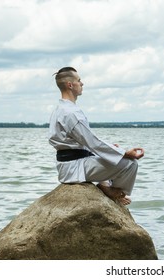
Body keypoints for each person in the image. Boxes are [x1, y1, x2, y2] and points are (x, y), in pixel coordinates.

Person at [48, 67, 144, 205]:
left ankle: (105, 186)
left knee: (112, 155)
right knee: (130, 164)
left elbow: (85, 141)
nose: (82, 84)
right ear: (70, 85)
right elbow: (92, 142)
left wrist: (112, 148)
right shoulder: (70, 113)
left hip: (69, 165)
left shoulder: (59, 109)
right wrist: (124, 153)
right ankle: (113, 192)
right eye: (79, 81)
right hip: (75, 167)